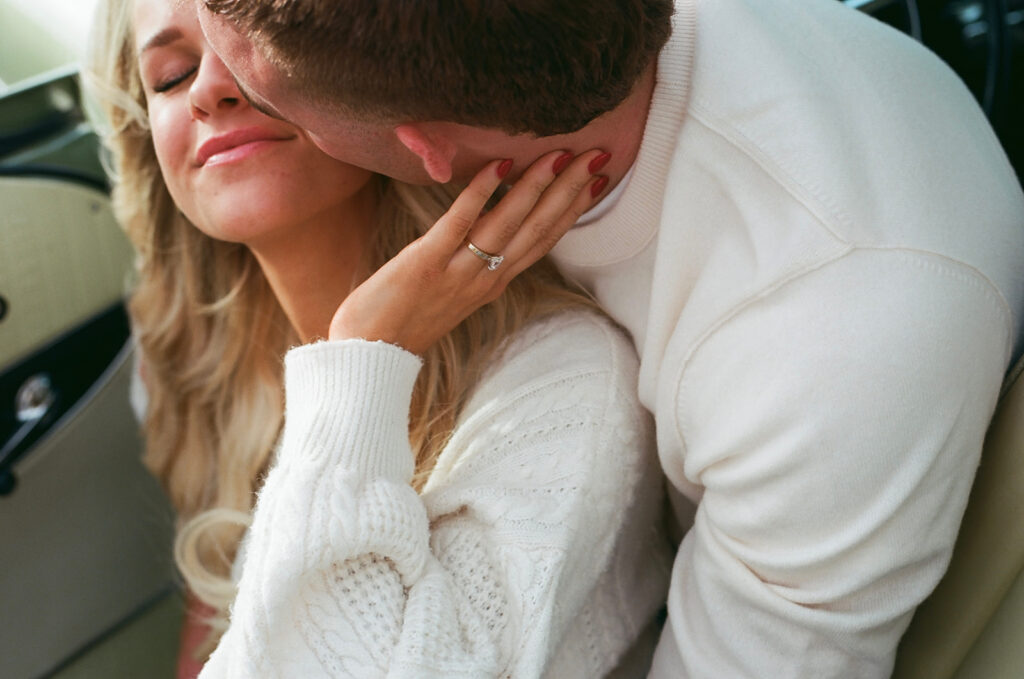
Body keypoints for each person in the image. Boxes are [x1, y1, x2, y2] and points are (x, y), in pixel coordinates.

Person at [193, 0, 1024, 676]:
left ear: (425, 146)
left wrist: (359, 360)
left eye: (256, 92)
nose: (208, 90)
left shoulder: (828, 345)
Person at [85, 0, 674, 676]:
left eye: (252, 51)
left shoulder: (564, 383)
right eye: (171, 74)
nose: (209, 90)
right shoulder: (211, 371)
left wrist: (365, 350)